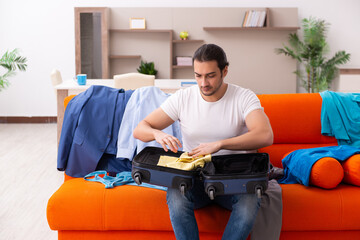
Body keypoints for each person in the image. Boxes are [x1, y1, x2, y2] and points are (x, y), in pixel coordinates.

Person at [133, 43, 273, 240]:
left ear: (225, 71)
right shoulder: (183, 97)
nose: (203, 83)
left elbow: (265, 135)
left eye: (210, 75)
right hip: (194, 178)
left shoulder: (244, 97)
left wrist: (220, 144)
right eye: (198, 75)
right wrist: (157, 134)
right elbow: (140, 129)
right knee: (175, 195)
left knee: (250, 202)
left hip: (234, 179)